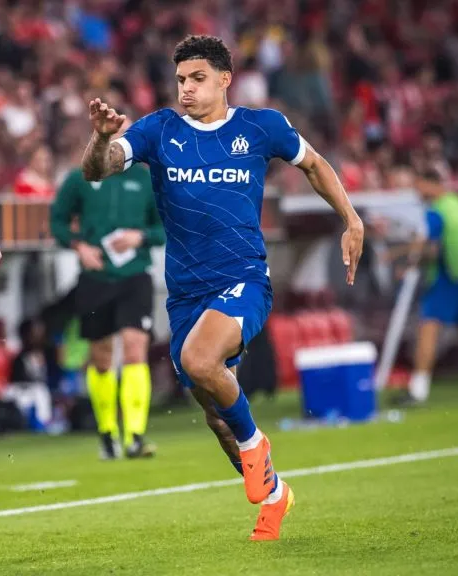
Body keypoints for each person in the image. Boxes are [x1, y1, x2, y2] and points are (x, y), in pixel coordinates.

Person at [81, 35, 364, 541]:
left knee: (200, 361)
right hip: (186, 295)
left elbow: (315, 164)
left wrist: (351, 218)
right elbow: (96, 169)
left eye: (197, 79)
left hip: (244, 281)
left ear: (225, 79)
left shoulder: (261, 127)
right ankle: (276, 496)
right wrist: (102, 137)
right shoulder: (158, 131)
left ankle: (258, 445)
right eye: (181, 80)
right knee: (216, 419)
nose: (186, 89)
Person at [50, 113, 164, 460]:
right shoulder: (80, 179)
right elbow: (57, 221)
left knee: (134, 349)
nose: (118, 141)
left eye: (124, 134)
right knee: (101, 358)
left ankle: (135, 435)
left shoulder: (146, 181)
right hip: (96, 278)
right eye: (111, 134)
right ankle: (107, 433)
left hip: (134, 276)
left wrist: (139, 236)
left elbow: (163, 229)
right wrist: (79, 247)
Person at [401, 168, 458, 404]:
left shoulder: (437, 211)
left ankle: (418, 390)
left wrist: (409, 263)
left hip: (447, 276)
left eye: (418, 185)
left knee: (428, 330)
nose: (416, 191)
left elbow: (428, 246)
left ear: (430, 184)